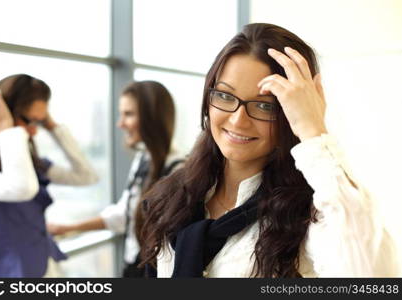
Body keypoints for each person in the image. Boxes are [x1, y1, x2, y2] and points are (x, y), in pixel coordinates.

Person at [139, 23, 398, 277]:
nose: (238, 120)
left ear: (290, 113)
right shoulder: (172, 196)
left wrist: (313, 130)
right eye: (226, 96)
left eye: (265, 106)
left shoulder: (309, 212)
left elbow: (371, 273)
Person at [48, 80, 184, 277]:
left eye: (128, 114)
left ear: (151, 118)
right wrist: (68, 228)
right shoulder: (143, 158)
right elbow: (124, 214)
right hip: (133, 265)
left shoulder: (178, 170)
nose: (120, 124)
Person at [0, 74, 98, 278]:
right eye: (30, 121)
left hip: (47, 264)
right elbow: (21, 188)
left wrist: (53, 127)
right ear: (6, 113)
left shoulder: (30, 162)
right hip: (14, 274)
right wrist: (3, 126)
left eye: (40, 122)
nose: (34, 132)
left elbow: (86, 176)